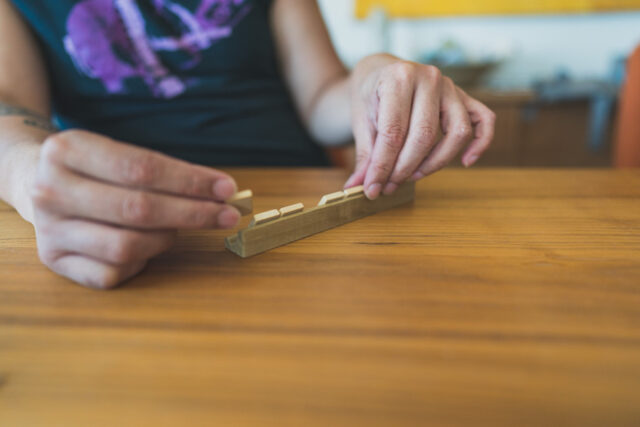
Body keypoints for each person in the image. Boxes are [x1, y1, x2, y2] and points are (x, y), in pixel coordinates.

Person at [0, 0, 496, 289]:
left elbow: (324, 95)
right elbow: (10, 110)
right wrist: (25, 173)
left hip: (297, 203)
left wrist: (374, 73)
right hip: (138, 234)